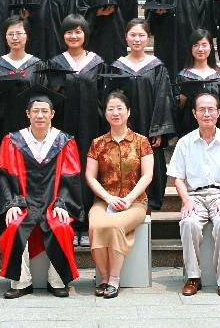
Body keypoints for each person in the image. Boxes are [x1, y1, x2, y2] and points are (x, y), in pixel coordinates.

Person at [0, 86, 83, 299]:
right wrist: (12, 203)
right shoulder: (12, 141)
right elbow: (4, 176)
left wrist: (62, 203)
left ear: (52, 114)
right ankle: (21, 282)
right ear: (28, 114)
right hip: (23, 203)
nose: (40, 115)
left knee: (61, 225)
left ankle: (57, 281)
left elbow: (71, 176)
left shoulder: (65, 141)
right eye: (35, 111)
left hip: (53, 203)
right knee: (15, 225)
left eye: (44, 111)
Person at [38, 14, 107, 246]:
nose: (73, 36)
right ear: (62, 35)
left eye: (78, 31)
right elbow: (48, 100)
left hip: (91, 127)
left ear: (85, 34)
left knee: (89, 171)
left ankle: (86, 223)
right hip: (62, 129)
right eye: (69, 32)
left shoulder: (97, 63)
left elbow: (103, 98)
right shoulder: (55, 64)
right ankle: (67, 220)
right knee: (65, 172)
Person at [168, 91, 220, 297]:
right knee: (188, 223)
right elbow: (177, 178)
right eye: (202, 110)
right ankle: (193, 277)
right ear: (194, 113)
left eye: (211, 109)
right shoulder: (184, 142)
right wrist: (186, 200)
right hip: (194, 196)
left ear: (218, 112)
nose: (207, 114)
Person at [85, 91, 154, 299]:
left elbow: (148, 175)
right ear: (105, 114)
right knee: (96, 226)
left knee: (114, 226)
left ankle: (114, 278)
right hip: (104, 200)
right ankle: (103, 277)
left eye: (119, 108)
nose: (115, 113)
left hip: (136, 201)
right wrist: (108, 198)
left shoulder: (141, 141)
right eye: (110, 109)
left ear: (128, 112)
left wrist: (130, 198)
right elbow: (90, 176)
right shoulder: (97, 143)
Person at [105, 18, 175, 211]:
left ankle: (148, 213)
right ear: (126, 37)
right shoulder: (117, 66)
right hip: (123, 128)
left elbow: (164, 99)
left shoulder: (157, 67)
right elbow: (111, 100)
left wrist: (159, 130)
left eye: (141, 35)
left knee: (149, 169)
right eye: (133, 35)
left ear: (149, 37)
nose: (137, 39)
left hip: (149, 129)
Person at [0, 16, 40, 149]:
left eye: (19, 33)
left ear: (27, 36)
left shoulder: (38, 65)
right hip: (2, 126)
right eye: (10, 34)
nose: (15, 38)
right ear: (5, 37)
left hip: (31, 126)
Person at [174, 29, 220, 136]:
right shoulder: (183, 77)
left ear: (211, 47)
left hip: (216, 133)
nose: (200, 49)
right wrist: (182, 98)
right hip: (189, 132)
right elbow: (175, 110)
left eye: (204, 45)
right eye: (196, 45)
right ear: (191, 48)